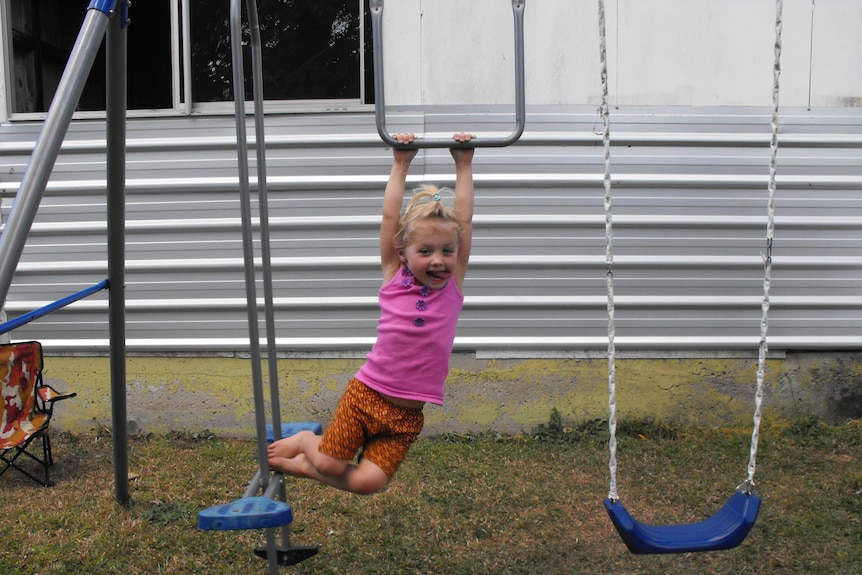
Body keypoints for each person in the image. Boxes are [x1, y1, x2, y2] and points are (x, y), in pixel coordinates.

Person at [268, 132, 475, 494]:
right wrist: (400, 163)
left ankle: (304, 464)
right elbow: (389, 215)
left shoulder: (452, 288)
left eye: (447, 251)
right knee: (329, 462)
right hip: (366, 397)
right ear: (402, 253)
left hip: (407, 417)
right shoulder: (395, 279)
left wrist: (464, 164)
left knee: (369, 483)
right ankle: (305, 442)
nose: (438, 260)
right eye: (425, 250)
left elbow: (466, 222)